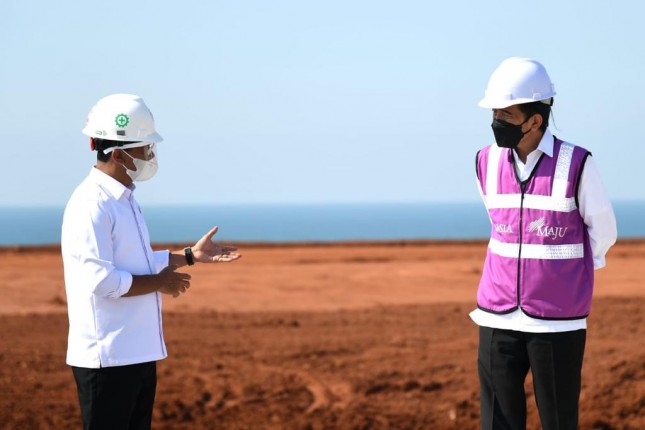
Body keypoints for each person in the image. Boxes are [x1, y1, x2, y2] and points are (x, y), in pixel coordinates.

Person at [61, 93, 241, 430]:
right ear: (118, 153)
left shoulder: (123, 199)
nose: (151, 155)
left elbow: (135, 262)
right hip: (108, 360)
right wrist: (161, 282)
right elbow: (101, 281)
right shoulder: (91, 204)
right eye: (145, 148)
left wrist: (189, 256)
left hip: (136, 354)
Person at [471, 58, 617, 429]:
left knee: (558, 421)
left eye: (506, 113)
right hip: (496, 315)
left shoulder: (578, 163)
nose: (496, 121)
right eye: (495, 112)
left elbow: (603, 230)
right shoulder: (484, 162)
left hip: (557, 321)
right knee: (497, 422)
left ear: (535, 119)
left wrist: (573, 273)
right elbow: (499, 225)